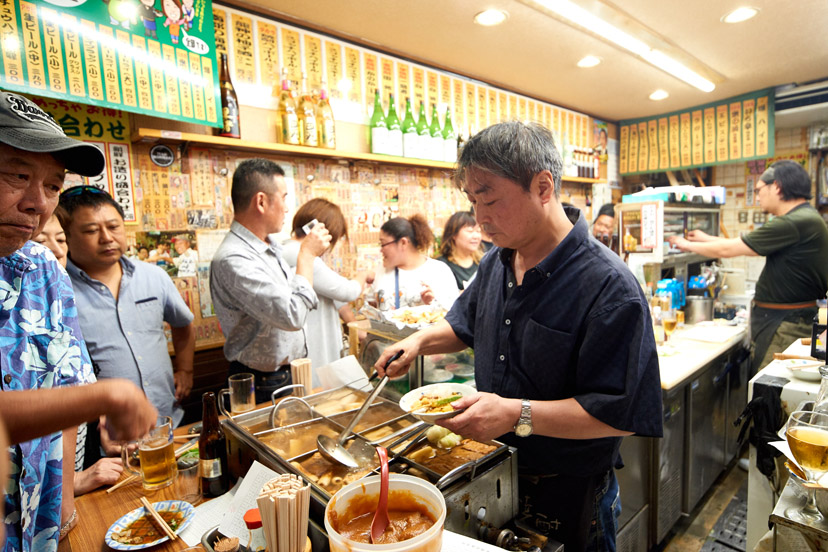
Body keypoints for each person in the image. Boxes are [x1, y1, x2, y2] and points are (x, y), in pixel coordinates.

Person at [375, 122, 662, 551]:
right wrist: (418, 342)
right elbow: (463, 324)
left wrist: (515, 414)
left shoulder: (609, 288)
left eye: (489, 199)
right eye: (472, 202)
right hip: (498, 475)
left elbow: (614, 414)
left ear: (543, 187)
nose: (480, 218)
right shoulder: (498, 262)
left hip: (570, 493)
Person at [0, 89, 157, 552]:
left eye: (52, 185)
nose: (37, 203)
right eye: (17, 175)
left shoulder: (41, 267)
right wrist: (108, 393)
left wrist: (63, 510)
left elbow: (64, 385)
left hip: (41, 525)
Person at [669, 160, 828, 372]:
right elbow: (740, 242)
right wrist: (704, 238)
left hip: (786, 325)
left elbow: (730, 249)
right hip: (786, 321)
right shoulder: (803, 218)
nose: (758, 194)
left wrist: (685, 244)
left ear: (777, 187)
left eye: (760, 189)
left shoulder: (794, 221)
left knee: (769, 392)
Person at [58, 186, 195, 427]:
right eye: (91, 230)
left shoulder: (153, 276)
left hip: (169, 421)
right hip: (106, 438)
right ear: (66, 236)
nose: (107, 238)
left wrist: (185, 370)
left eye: (113, 227)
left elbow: (183, 323)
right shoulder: (58, 289)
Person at [210, 159, 331, 404]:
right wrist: (306, 255)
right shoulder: (233, 259)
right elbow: (292, 316)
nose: (288, 208)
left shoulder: (269, 245)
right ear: (262, 202)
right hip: (262, 382)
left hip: (286, 374)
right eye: (284, 198)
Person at [33, 214, 126, 495]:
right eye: (39, 242)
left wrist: (99, 419)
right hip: (45, 495)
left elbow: (71, 379)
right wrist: (73, 482)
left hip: (77, 465)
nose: (57, 251)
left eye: (60, 240)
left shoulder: (59, 299)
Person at [282, 199, 374, 377]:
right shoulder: (301, 254)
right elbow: (348, 292)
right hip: (315, 348)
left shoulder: (286, 249)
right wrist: (363, 275)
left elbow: (335, 296)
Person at [374, 215, 459, 310]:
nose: (381, 250)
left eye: (383, 244)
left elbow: (454, 315)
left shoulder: (439, 271)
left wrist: (433, 303)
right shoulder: (382, 270)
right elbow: (373, 307)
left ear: (403, 243)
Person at [436, 211, 483, 290]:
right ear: (454, 234)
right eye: (470, 231)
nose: (476, 236)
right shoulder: (442, 266)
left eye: (478, 231)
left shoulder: (483, 261)